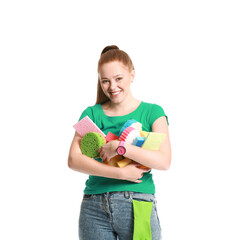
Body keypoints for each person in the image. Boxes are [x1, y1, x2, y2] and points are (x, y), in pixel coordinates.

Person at [68, 45, 171, 240]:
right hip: (94, 207)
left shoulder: (153, 112)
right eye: (105, 81)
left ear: (132, 75)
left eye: (118, 79)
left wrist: (120, 147)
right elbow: (74, 159)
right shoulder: (91, 114)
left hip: (137, 202)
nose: (112, 87)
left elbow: (164, 161)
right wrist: (121, 173)